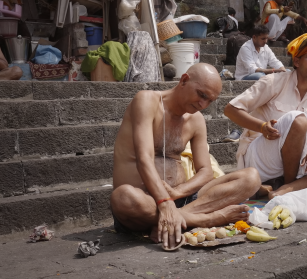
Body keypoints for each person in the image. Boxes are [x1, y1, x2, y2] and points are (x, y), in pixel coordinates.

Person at [110, 63, 262, 250]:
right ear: (183, 80)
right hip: (145, 203)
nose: (203, 105)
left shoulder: (196, 120)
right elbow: (144, 159)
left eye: (210, 101)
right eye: (201, 95)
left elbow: (206, 171)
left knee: (251, 178)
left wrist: (177, 193)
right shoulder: (147, 100)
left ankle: (177, 218)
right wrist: (165, 203)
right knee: (122, 197)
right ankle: (206, 219)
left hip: (182, 198)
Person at [224, 32, 307, 204]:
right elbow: (231, 109)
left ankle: (289, 188)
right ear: (296, 61)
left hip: (294, 163)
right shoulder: (273, 82)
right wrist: (262, 127)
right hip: (260, 158)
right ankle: (293, 187)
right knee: (299, 120)